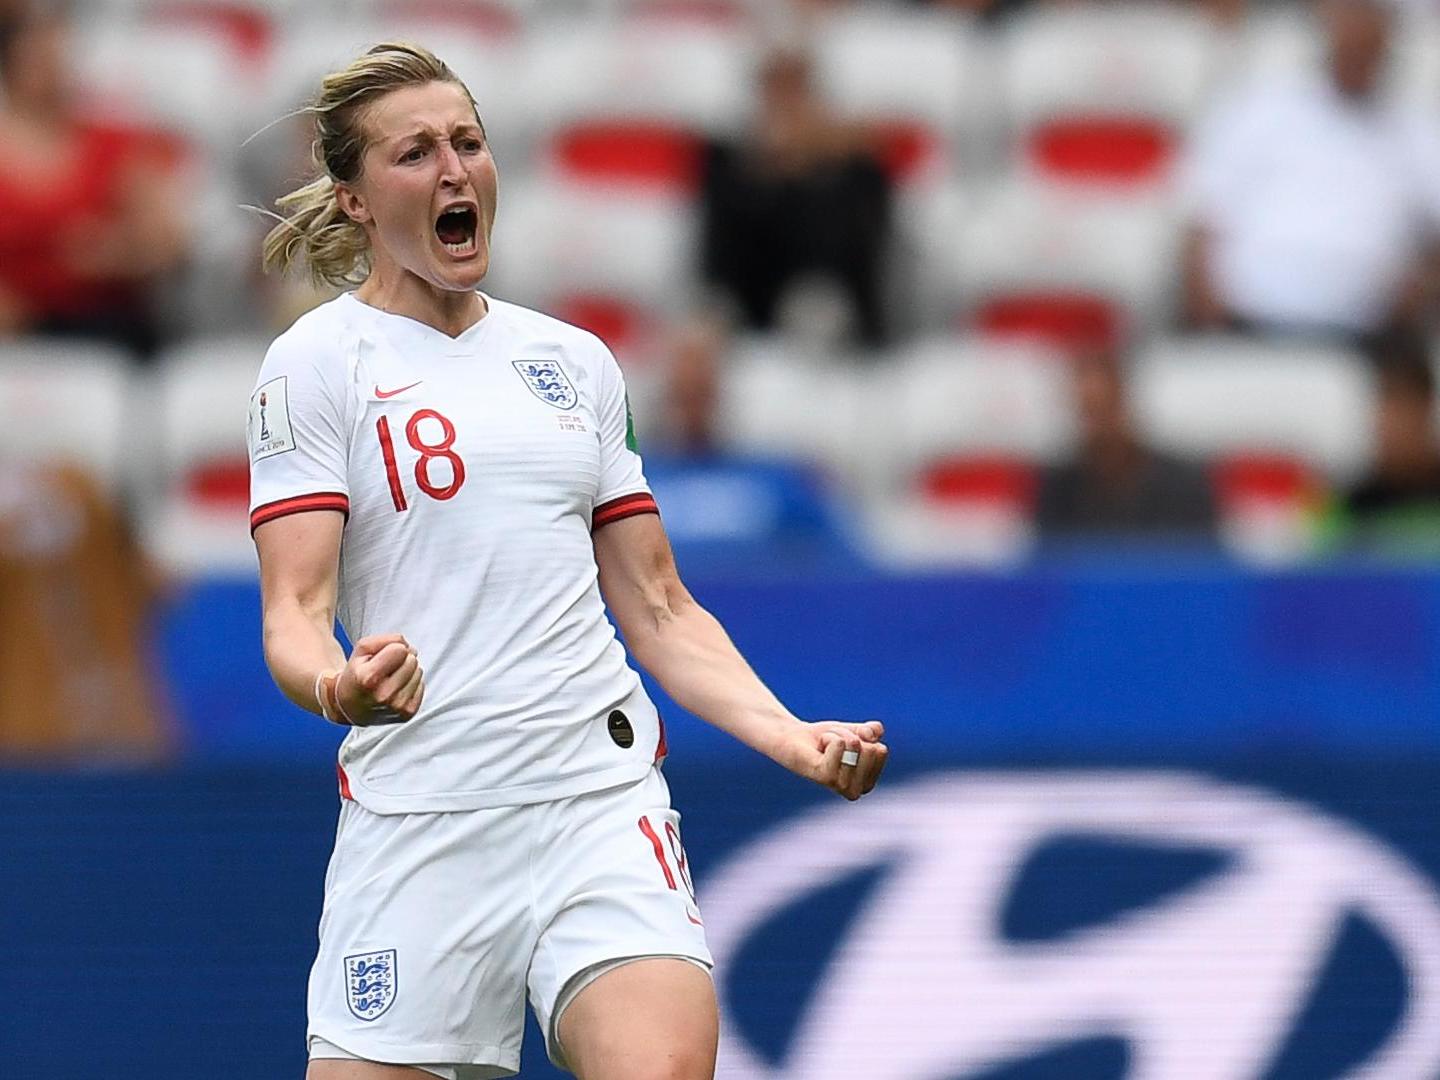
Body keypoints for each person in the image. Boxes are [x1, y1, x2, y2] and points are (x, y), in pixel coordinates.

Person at [247, 42, 888, 1080]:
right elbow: (292, 608)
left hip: (595, 799)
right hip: (423, 818)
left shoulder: (572, 362)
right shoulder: (316, 366)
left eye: (469, 143)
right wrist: (338, 686)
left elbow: (661, 607)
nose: (455, 171)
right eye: (415, 154)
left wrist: (791, 736)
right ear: (356, 200)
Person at [1179, 0, 1440, 342]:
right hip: (1246, 322)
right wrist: (1207, 311)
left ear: (1386, 50)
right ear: (1328, 42)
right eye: (1349, 46)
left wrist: (1418, 292)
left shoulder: (1417, 131)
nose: (1356, 58)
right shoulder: (1260, 110)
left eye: (1367, 48)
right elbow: (1202, 218)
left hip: (1369, 334)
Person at [0, 1, 189, 357]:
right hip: (17, 333)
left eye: (58, 57)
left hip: (107, 325)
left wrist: (115, 254)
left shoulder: (115, 143)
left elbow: (171, 243)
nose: (53, 70)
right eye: (38, 60)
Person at [698, 46, 894, 348]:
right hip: (751, 329)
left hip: (841, 337)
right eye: (775, 88)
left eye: (795, 88)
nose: (785, 103)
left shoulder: (857, 173)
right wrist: (769, 179)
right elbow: (723, 266)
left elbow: (859, 258)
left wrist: (817, 173)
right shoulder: (729, 172)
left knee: (816, 309)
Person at [1035, 348, 1217, 542]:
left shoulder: (1182, 486)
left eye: (1102, 410)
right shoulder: (1059, 490)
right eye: (1086, 413)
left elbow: (1198, 561)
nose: (1095, 427)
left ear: (1123, 404)